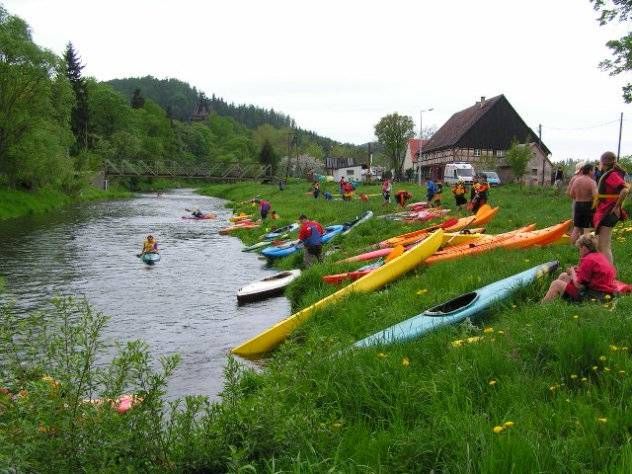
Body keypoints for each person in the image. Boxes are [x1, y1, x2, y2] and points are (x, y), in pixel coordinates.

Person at [542, 234, 617, 302]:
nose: (579, 252)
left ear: (583, 247)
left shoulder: (588, 260)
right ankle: (551, 297)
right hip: (605, 293)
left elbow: (579, 285)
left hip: (596, 296)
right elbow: (589, 276)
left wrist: (572, 272)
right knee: (564, 276)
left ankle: (542, 306)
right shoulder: (598, 256)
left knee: (556, 284)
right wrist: (576, 271)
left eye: (579, 249)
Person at [593, 151, 630, 263]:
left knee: (604, 246)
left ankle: (609, 275)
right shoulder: (609, 173)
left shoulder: (613, 174)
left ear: (603, 162)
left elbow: (624, 190)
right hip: (605, 211)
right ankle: (604, 271)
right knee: (600, 245)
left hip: (609, 212)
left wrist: (617, 206)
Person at [568, 163, 597, 244]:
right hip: (587, 205)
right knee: (587, 228)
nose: (594, 171)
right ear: (590, 171)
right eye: (593, 170)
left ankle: (572, 246)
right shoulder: (591, 182)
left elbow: (571, 193)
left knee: (576, 227)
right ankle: (586, 247)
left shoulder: (576, 180)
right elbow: (596, 196)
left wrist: (578, 197)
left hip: (577, 204)